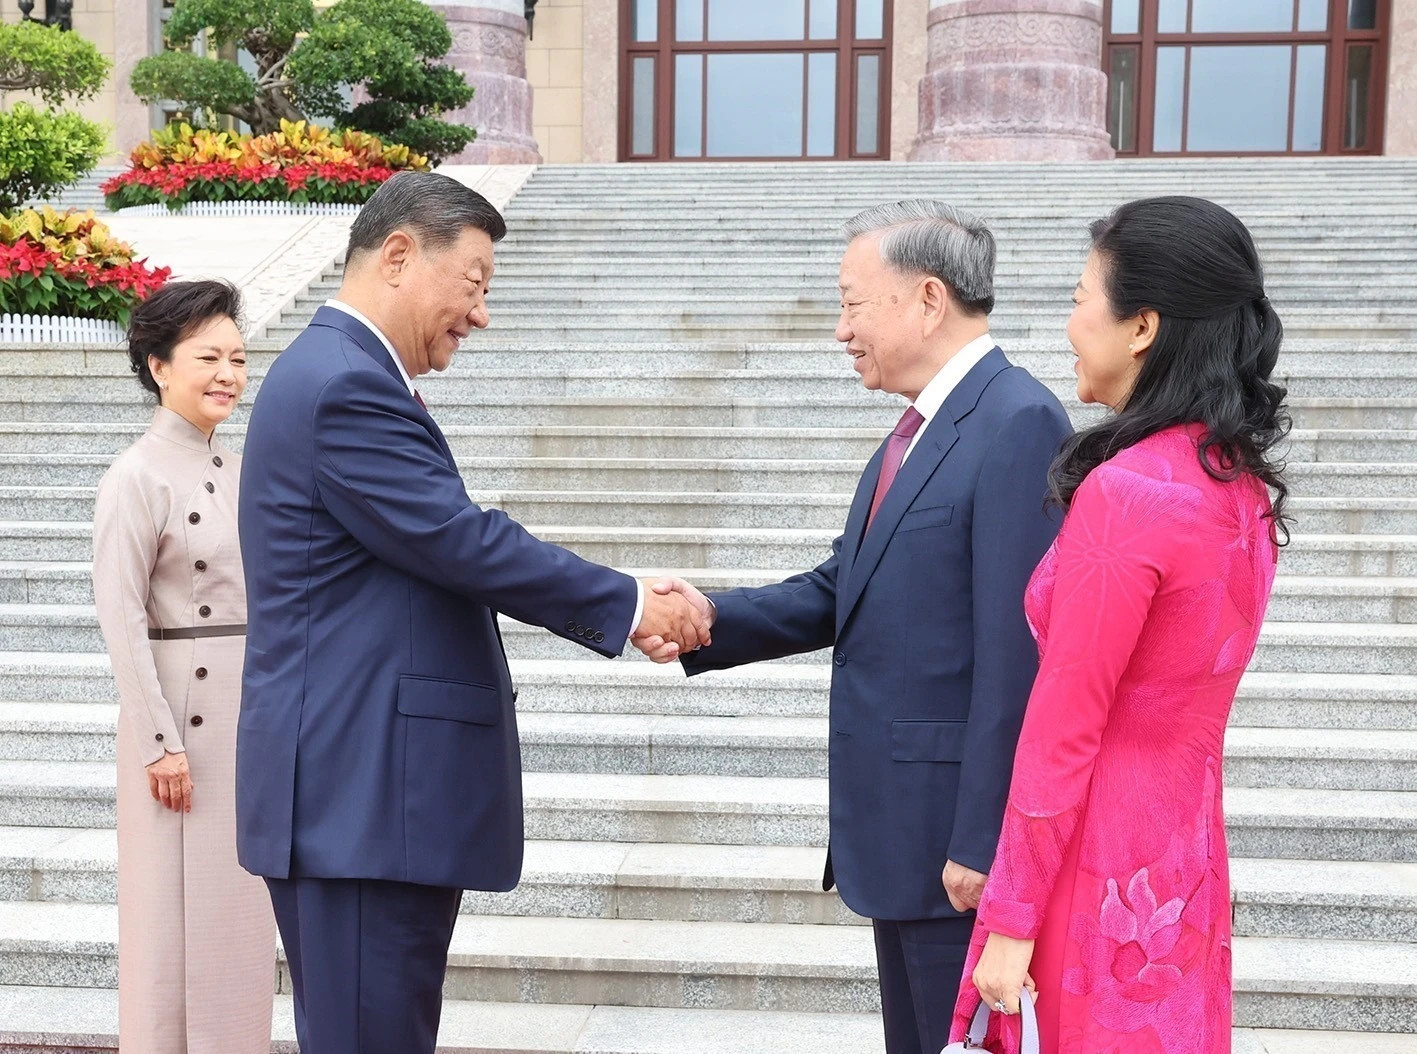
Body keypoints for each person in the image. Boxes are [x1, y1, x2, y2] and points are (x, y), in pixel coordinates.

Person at [234, 171, 709, 1054]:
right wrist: (629, 600)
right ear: (401, 255)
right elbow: (458, 540)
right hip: (359, 797)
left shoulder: (342, 373)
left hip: (366, 800)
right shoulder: (343, 384)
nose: (480, 314)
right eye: (476, 283)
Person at [651, 200, 1072, 1054]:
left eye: (851, 303)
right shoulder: (920, 429)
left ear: (925, 298)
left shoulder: (1015, 421)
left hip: (952, 845)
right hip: (899, 829)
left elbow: (1016, 651)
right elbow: (845, 586)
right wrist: (705, 618)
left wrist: (986, 839)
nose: (840, 330)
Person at [953, 196, 1289, 1054]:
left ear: (1140, 326)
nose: (1067, 323)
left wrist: (1012, 916)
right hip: (1183, 852)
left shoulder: (1128, 492)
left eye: (1077, 297)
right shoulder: (1235, 485)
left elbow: (1066, 723)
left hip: (1096, 861)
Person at [92, 279, 275, 1053]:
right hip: (178, 724)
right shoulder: (134, 475)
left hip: (247, 716)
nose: (228, 373)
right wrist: (158, 743)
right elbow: (121, 618)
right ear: (159, 365)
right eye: (209, 357)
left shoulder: (239, 469)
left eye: (238, 357)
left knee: (236, 920)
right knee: (168, 929)